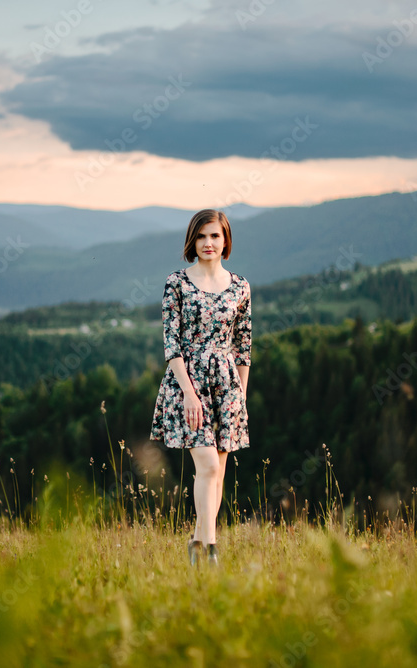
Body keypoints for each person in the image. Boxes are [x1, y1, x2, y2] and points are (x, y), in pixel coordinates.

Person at [148, 209, 251, 568]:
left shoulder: (240, 287)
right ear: (193, 241)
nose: (209, 243)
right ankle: (210, 549)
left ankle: (197, 545)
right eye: (202, 236)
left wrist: (242, 398)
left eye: (215, 236)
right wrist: (189, 394)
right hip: (186, 384)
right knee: (207, 465)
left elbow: (243, 347)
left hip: (226, 386)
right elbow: (171, 344)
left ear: (226, 241)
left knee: (216, 473)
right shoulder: (176, 282)